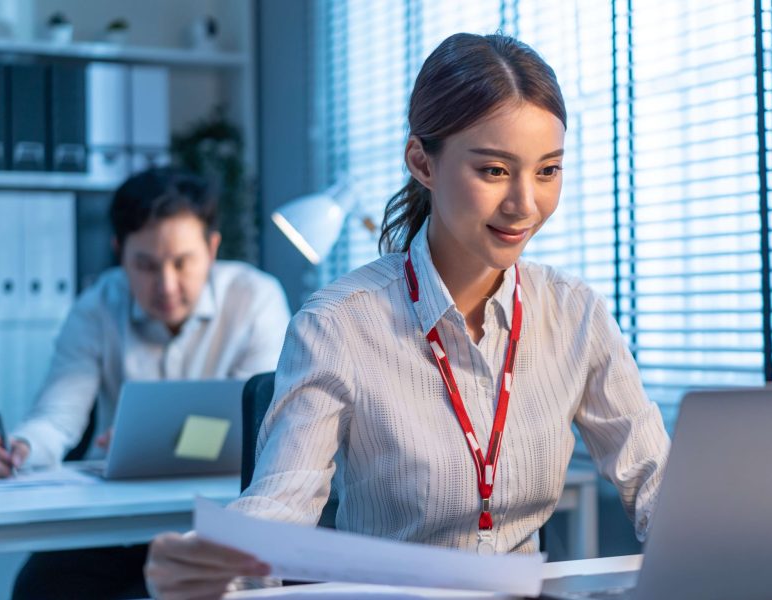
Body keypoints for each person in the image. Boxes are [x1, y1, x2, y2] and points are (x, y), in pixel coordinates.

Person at [145, 32, 670, 599]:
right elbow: (283, 500)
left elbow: (656, 482)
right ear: (422, 161)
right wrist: (216, 560)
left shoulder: (575, 314)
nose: (525, 203)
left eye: (547, 171)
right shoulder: (339, 324)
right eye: (494, 170)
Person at [0, 167, 292, 600]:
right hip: (118, 526)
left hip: (221, 517)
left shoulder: (256, 298)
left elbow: (258, 424)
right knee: (39, 585)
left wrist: (159, 441)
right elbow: (57, 415)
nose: (166, 285)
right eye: (145, 265)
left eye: (183, 262)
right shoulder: (96, 307)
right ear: (119, 252)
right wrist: (20, 447)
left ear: (212, 249)